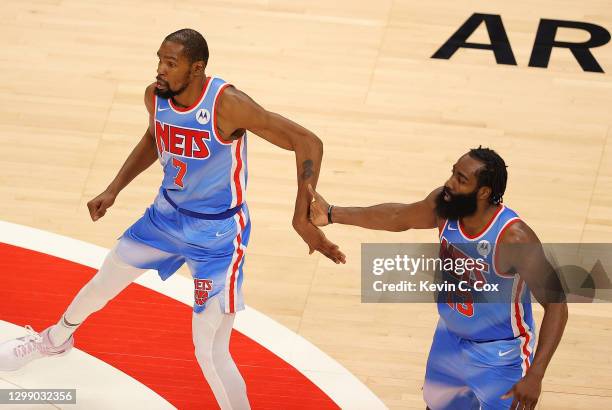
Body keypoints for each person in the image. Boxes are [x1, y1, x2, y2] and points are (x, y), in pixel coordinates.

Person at [0, 28, 345, 409]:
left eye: (170, 63)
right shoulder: (156, 96)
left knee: (208, 349)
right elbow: (154, 138)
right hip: (164, 218)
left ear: (196, 68)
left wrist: (301, 218)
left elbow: (308, 142)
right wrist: (114, 188)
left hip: (216, 237)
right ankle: (54, 340)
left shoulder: (227, 104)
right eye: (159, 60)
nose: (160, 70)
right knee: (104, 281)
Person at [308, 147, 568, 410]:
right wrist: (331, 214)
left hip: (500, 356)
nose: (450, 183)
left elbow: (557, 305)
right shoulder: (445, 207)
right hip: (449, 339)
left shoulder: (514, 238)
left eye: (461, 179)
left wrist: (536, 374)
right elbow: (398, 217)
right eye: (453, 173)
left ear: (484, 192)